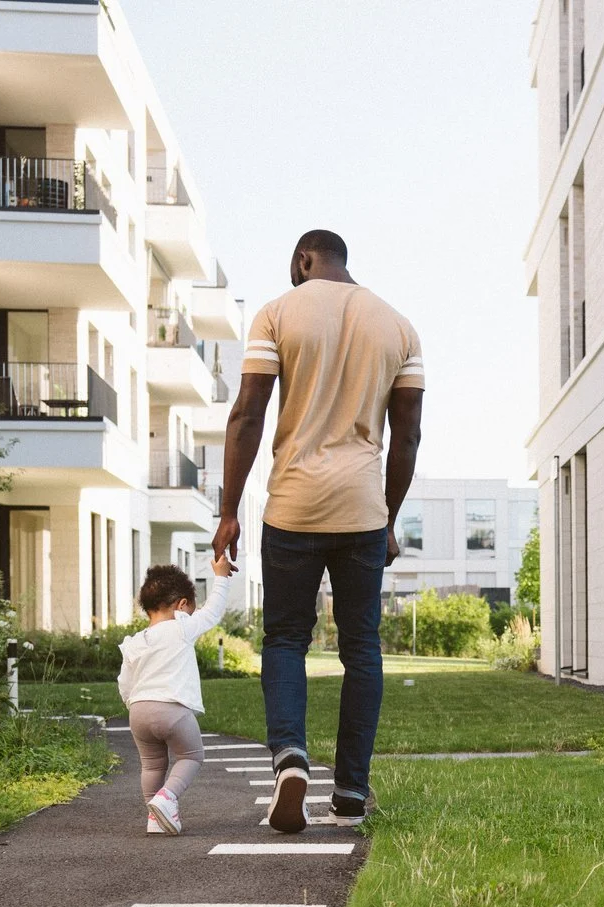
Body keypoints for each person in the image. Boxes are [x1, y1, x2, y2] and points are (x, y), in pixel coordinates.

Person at [212, 229, 423, 833]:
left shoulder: (278, 314)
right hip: (362, 509)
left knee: (284, 640)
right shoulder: (399, 327)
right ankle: (352, 791)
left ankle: (290, 760)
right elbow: (406, 437)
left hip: (294, 507)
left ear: (305, 260)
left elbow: (248, 413)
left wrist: (228, 511)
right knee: (362, 647)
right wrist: (388, 514)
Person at [118, 554, 234, 834]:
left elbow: (124, 682)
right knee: (192, 756)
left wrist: (134, 706)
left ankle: (154, 819)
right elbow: (214, 610)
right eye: (191, 609)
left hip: (139, 711)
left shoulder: (135, 642)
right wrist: (221, 576)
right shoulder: (182, 627)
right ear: (182, 605)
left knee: (151, 765)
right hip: (172, 708)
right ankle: (167, 798)